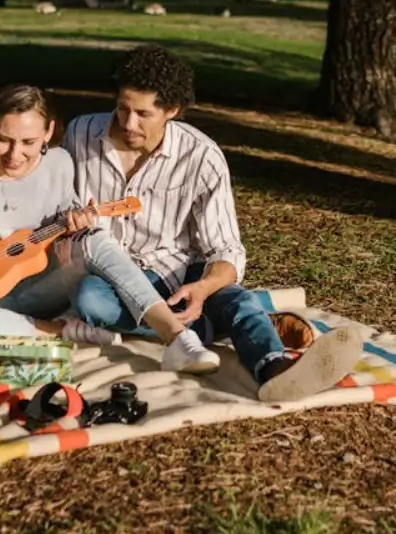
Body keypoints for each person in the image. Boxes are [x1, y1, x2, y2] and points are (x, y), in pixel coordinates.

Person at [67, 44, 365, 402]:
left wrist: (203, 290)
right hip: (110, 276)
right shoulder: (80, 134)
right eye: (122, 108)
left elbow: (225, 248)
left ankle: (276, 370)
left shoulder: (201, 155)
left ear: (172, 111)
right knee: (89, 303)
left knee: (231, 297)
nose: (128, 123)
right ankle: (211, 326)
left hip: (178, 272)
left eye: (143, 114)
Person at [0, 85, 220, 373]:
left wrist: (76, 225)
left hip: (46, 285)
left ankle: (177, 337)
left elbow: (67, 232)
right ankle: (63, 330)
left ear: (48, 133)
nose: (14, 155)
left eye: (28, 142)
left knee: (92, 239)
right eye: (3, 140)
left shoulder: (59, 164)